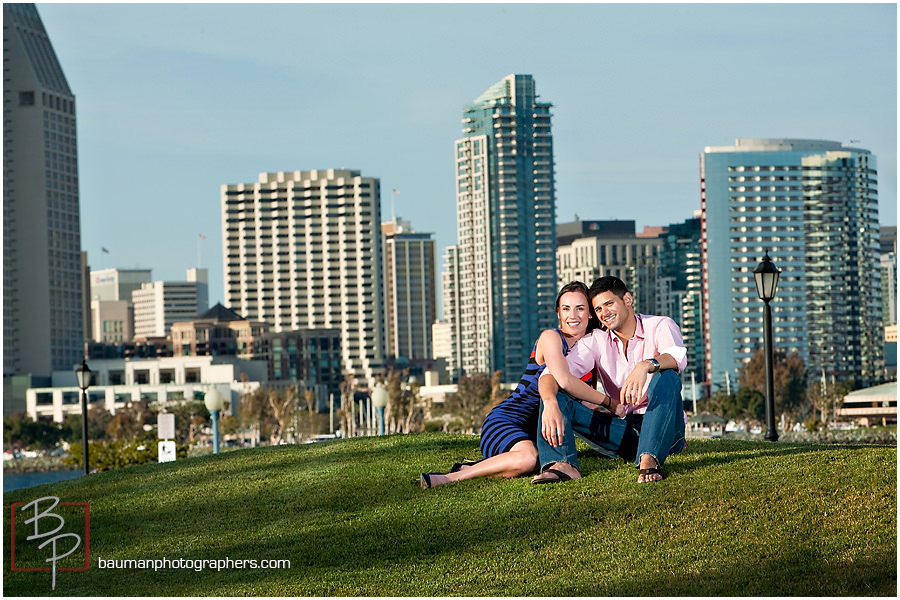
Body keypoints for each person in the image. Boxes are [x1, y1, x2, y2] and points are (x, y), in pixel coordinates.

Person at [418, 281, 624, 489]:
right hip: (507, 419)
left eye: (580, 308)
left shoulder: (591, 350)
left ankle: (480, 465)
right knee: (529, 459)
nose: (573, 315)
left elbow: (584, 403)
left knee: (534, 457)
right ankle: (450, 477)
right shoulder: (551, 338)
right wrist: (609, 402)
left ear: (590, 314)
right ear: (558, 314)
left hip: (536, 433)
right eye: (566, 309)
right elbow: (563, 380)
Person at [532, 275, 687, 485]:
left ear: (627, 300)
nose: (604, 313)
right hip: (625, 428)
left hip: (667, 426)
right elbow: (550, 374)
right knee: (556, 393)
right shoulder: (596, 340)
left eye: (609, 304)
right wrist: (549, 401)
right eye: (597, 309)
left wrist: (645, 365)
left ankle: (649, 459)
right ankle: (562, 464)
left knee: (667, 374)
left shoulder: (660, 325)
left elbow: (677, 358)